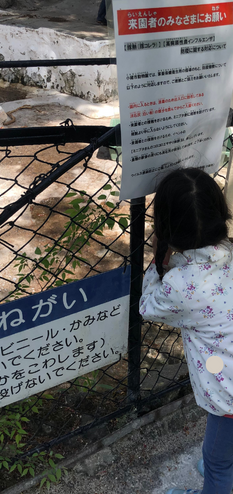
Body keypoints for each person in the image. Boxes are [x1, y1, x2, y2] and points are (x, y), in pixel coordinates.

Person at [140, 167, 233, 494]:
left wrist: (159, 261)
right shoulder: (231, 253)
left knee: (217, 461)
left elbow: (146, 306)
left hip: (230, 397)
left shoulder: (181, 284)